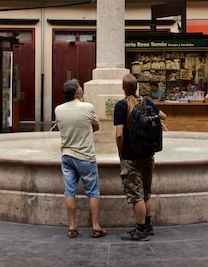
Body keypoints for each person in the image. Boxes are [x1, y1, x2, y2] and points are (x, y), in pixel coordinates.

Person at [114, 73, 165, 241]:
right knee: (147, 193)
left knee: (136, 195)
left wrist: (121, 154)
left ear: (123, 87)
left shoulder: (121, 106)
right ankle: (148, 226)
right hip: (148, 153)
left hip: (131, 155)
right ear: (136, 87)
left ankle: (140, 229)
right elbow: (163, 116)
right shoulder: (146, 101)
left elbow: (119, 135)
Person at [53, 78, 105, 238]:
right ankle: (95, 226)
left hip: (67, 155)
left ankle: (72, 226)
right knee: (93, 192)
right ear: (77, 92)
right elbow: (96, 127)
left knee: (69, 191)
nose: (82, 89)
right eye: (80, 87)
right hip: (85, 156)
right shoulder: (87, 107)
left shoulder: (58, 109)